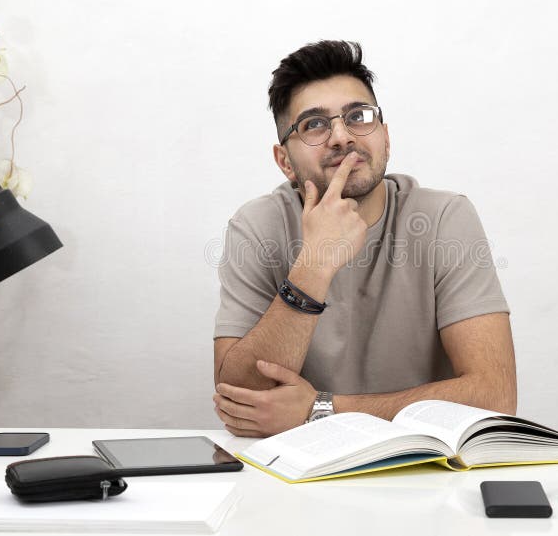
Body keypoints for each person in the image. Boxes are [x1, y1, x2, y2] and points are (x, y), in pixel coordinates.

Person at [212, 40, 516, 437]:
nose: (341, 136)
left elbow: (496, 395)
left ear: (385, 138)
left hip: (421, 465)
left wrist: (322, 410)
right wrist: (315, 267)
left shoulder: (444, 218)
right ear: (284, 161)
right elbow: (240, 399)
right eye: (314, 124)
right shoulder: (257, 227)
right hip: (296, 473)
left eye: (358, 116)